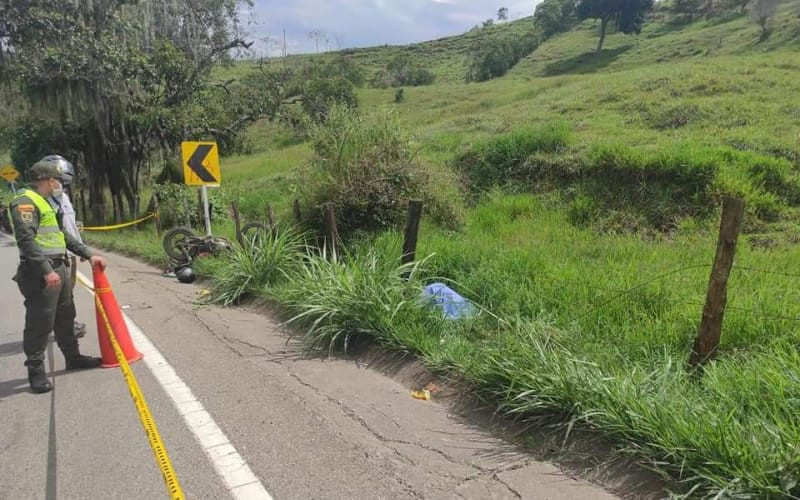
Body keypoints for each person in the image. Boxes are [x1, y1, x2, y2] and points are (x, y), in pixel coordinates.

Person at [8, 158, 107, 394]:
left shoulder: (46, 202)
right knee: (39, 323)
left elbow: (62, 235)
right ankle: (36, 373)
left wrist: (88, 254)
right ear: (50, 180)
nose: (62, 185)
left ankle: (73, 358)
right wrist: (46, 270)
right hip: (41, 273)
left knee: (66, 315)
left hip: (59, 267)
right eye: (60, 181)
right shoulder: (25, 201)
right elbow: (26, 241)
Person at [42, 155, 88, 338]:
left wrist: (81, 246)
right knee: (61, 296)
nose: (61, 185)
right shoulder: (43, 201)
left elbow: (71, 225)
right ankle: (63, 327)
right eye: (59, 180)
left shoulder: (65, 198)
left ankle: (67, 325)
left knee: (68, 293)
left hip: (71, 252)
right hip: (58, 255)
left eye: (63, 182)